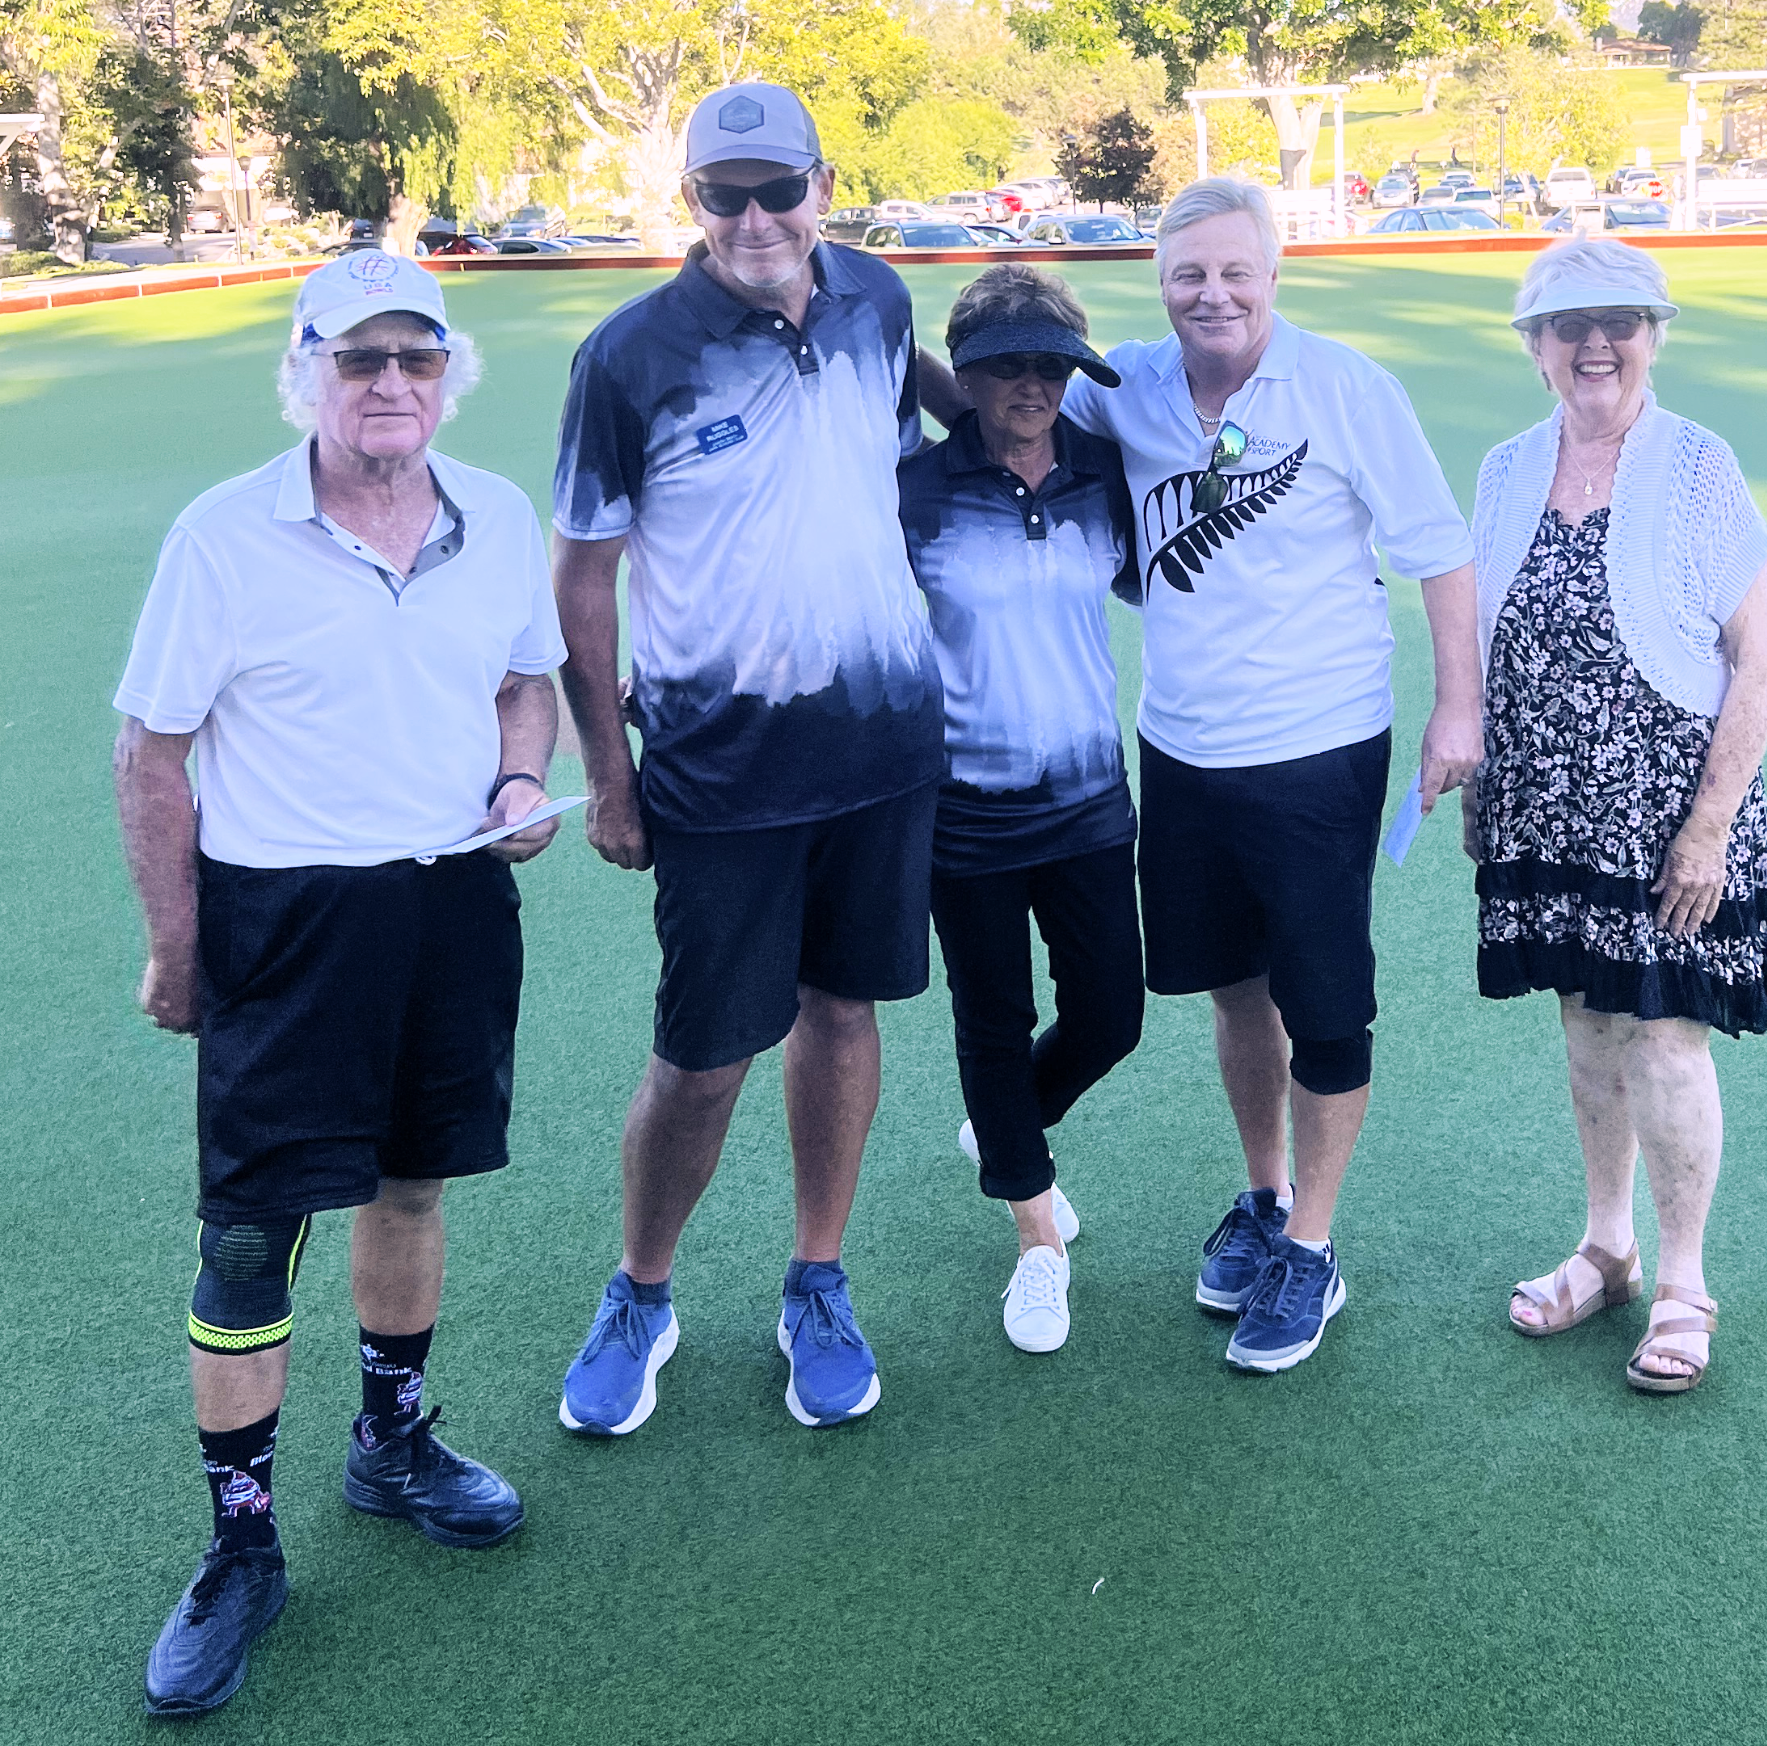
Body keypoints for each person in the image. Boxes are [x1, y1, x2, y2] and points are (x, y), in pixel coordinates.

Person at [926, 178, 1483, 1374]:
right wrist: (940, 373)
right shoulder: (1120, 384)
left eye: (1234, 272)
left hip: (1319, 749)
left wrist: (1457, 708)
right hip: (1179, 752)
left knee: (1325, 1005)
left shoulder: (1342, 387)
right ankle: (1265, 1197)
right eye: (1188, 275)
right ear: (1160, 286)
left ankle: (1315, 1251)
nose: (1211, 294)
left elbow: (1436, 549)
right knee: (1233, 990)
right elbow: (1006, 402)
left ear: (1273, 276)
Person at [114, 252, 566, 1717]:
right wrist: (179, 945)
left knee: (413, 1187)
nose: (388, 385)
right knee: (251, 1237)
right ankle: (241, 1548)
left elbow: (528, 674)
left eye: (415, 361)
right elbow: (153, 750)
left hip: (449, 899)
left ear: (448, 377)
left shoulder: (493, 515)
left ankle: (391, 1442)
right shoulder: (225, 533)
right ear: (305, 370)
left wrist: (518, 770)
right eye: (358, 358)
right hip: (284, 914)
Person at [550, 82, 943, 1432]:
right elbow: (585, 575)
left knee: (845, 1013)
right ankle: (640, 1289)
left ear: (825, 182)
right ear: (692, 204)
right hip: (721, 772)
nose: (760, 217)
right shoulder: (628, 355)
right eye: (728, 194)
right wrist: (609, 772)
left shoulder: (879, 303)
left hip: (885, 750)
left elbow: (900, 474)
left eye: (782, 188)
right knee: (703, 1056)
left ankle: (816, 1279)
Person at [1470, 238, 1767, 1394]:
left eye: (1619, 321)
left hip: (1668, 811)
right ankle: (1604, 1247)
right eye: (1567, 325)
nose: (1593, 343)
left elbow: (1762, 654)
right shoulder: (1506, 467)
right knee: (1586, 1027)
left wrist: (1706, 827)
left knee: (1664, 1037)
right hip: (1549, 805)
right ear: (1534, 347)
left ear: (1653, 335)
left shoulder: (1699, 464)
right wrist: (1490, 791)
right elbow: (1489, 640)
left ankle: (1682, 1281)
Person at [897, 264, 1145, 1354]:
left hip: (1090, 794)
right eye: (1006, 366)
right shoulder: (913, 489)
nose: (1032, 385)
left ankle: (1006, 1131)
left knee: (1111, 1015)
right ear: (970, 373)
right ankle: (1035, 1236)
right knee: (989, 1019)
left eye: (1051, 365)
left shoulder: (1103, 471)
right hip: (964, 808)